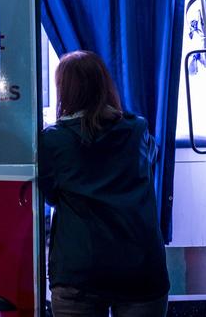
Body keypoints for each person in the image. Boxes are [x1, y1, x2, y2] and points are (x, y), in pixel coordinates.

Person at [40, 51, 169, 317]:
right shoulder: (137, 129)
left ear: (65, 91)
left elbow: (50, 195)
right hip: (141, 268)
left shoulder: (53, 141)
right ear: (104, 86)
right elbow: (150, 162)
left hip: (80, 273)